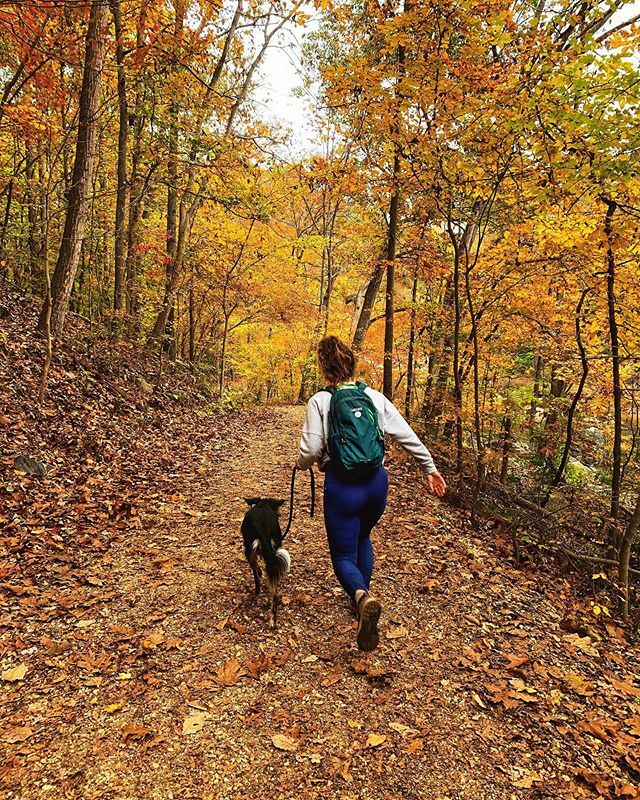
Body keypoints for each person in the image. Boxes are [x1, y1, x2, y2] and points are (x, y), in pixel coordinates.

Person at [296, 335, 446, 651]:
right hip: (376, 484)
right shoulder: (374, 398)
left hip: (342, 486)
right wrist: (430, 468)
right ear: (353, 364)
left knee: (342, 555)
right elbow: (406, 435)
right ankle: (361, 601)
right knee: (363, 537)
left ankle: (361, 597)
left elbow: (310, 451)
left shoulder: (320, 401)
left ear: (325, 369)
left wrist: (300, 464)